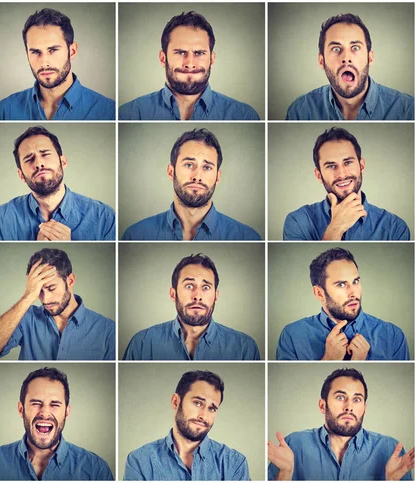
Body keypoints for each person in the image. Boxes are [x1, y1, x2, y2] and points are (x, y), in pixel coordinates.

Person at [268, 368, 414, 480]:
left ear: (364, 408)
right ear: (322, 406)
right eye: (340, 397)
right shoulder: (293, 445)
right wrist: (284, 476)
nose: (349, 406)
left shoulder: (390, 450)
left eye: (357, 399)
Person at [0, 367, 113, 480]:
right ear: (21, 409)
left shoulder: (96, 470)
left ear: (67, 412)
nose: (44, 413)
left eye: (55, 404)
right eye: (36, 403)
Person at [122, 129, 261, 240]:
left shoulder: (246, 237)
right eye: (189, 165)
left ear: (218, 177)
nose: (197, 177)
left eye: (207, 167)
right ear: (171, 172)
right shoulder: (136, 235)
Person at [119, 11, 259, 120]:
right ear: (163, 58)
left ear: (212, 59)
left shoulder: (244, 115)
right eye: (180, 52)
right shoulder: (130, 114)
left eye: (199, 53)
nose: (190, 63)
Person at [276, 248, 409, 360]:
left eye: (355, 282)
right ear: (319, 293)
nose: (353, 293)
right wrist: (328, 360)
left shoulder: (393, 336)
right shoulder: (293, 335)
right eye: (341, 284)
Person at [0, 248, 114, 360]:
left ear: (71, 281)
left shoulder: (107, 330)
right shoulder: (26, 317)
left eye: (51, 288)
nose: (45, 300)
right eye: (39, 291)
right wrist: (28, 296)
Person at [0, 126, 115, 240]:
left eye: (45, 154)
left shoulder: (104, 217)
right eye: (29, 159)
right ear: (21, 175)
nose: (38, 163)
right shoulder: (1, 220)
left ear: (63, 162)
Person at [123, 254, 260, 360]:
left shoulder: (244, 348)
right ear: (173, 294)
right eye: (189, 286)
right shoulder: (142, 344)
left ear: (216, 296)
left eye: (206, 287)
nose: (197, 296)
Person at [283, 127, 410, 240]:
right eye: (331, 166)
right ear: (319, 175)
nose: (342, 174)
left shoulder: (395, 228)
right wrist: (336, 228)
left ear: (362, 166)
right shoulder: (298, 221)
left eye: (348, 162)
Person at [0, 8, 115, 120]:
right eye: (35, 52)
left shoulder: (109, 112)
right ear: (27, 55)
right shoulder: (5, 111)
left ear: (72, 51)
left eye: (53, 50)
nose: (44, 62)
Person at [124, 370, 250, 480]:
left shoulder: (235, 464)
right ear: (175, 402)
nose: (203, 416)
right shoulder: (140, 461)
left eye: (212, 409)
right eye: (197, 403)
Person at [286, 13, 414, 120]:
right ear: (321, 61)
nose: (346, 58)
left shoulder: (408, 109)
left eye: (355, 48)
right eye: (336, 49)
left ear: (370, 58)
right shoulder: (300, 111)